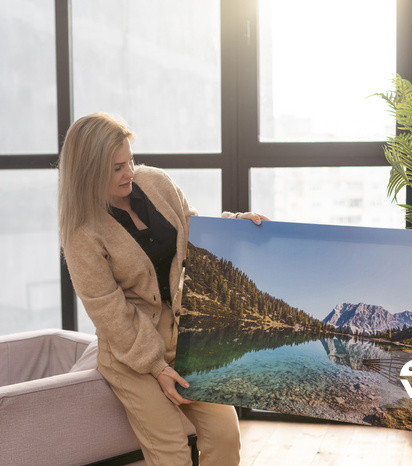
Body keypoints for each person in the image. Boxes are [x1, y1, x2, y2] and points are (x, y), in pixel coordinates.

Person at [58, 112, 267, 466]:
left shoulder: (155, 183)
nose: (130, 173)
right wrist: (156, 367)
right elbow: (109, 311)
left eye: (130, 161)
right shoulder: (81, 234)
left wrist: (235, 226)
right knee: (171, 454)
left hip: (186, 340)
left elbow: (193, 233)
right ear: (90, 172)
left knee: (226, 433)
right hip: (132, 354)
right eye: (117, 168)